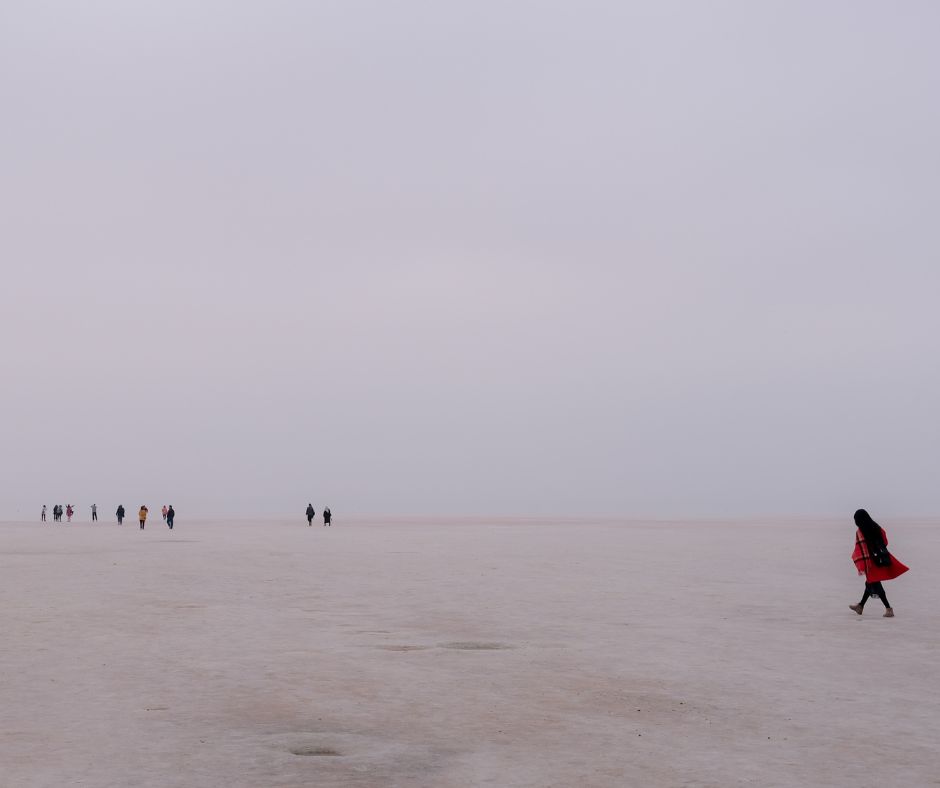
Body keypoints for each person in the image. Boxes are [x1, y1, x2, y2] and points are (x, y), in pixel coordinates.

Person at [850, 509, 909, 617]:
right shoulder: (875, 526)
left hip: (870, 563)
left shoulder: (860, 531)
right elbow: (885, 541)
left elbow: (859, 549)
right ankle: (860, 606)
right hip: (880, 559)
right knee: (869, 583)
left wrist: (856, 557)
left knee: (875, 584)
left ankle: (888, 609)